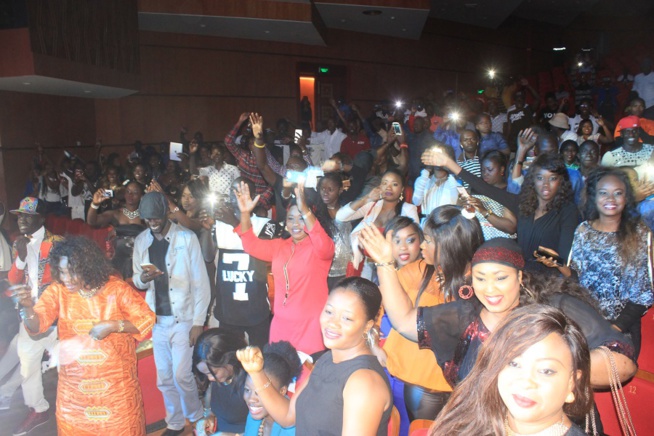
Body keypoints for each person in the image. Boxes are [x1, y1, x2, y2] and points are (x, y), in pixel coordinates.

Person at [358, 234, 637, 390]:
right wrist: (385, 264)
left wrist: (547, 368)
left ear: (520, 277)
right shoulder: (467, 314)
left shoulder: (555, 308)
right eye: (481, 278)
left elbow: (621, 362)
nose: (490, 288)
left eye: (501, 278)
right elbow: (405, 321)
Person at [14, 236, 155, 435]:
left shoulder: (116, 289)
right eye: (62, 272)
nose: (66, 279)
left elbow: (147, 320)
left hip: (116, 392)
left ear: (88, 267)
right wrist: (28, 308)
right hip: (74, 395)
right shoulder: (58, 291)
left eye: (72, 272)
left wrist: (114, 325)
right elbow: (37, 325)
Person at [237, 277, 393, 435]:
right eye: (329, 312)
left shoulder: (364, 382)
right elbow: (288, 416)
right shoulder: (327, 360)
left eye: (346, 318)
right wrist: (257, 373)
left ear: (367, 326)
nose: (332, 323)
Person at [381, 207, 483, 423]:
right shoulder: (418, 271)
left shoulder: (482, 281)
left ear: (448, 246)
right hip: (420, 386)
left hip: (462, 391)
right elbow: (376, 304)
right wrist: (372, 340)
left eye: (427, 240)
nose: (422, 245)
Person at [431, 305, 592, 436]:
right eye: (514, 364)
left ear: (572, 382)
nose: (525, 382)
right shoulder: (469, 425)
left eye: (545, 371)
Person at [132, 192, 211, 436]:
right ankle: (175, 422)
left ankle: (196, 418)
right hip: (158, 320)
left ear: (166, 213)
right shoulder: (141, 241)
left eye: (156, 217)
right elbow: (137, 279)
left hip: (183, 318)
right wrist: (143, 278)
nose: (152, 223)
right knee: (165, 377)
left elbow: (201, 283)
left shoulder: (186, 238)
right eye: (148, 219)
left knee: (181, 375)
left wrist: (198, 322)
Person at [559, 168, 653, 358]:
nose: (611, 199)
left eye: (618, 193)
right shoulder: (583, 230)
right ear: (594, 196)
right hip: (585, 322)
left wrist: (612, 330)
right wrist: (560, 267)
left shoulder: (640, 233)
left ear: (627, 197)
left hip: (621, 328)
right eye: (603, 193)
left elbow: (643, 295)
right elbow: (577, 279)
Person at [234, 181, 334, 355]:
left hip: (310, 329)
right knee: (278, 372)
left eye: (301, 218)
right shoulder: (280, 246)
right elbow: (250, 245)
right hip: (280, 327)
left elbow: (324, 245)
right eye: (291, 218)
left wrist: (305, 209)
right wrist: (244, 214)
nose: (295, 224)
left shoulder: (319, 248)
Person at [7, 197, 63, 436]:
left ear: (41, 218)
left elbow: (65, 279)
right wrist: (21, 257)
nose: (21, 220)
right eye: (19, 215)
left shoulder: (57, 243)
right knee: (28, 366)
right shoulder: (19, 243)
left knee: (67, 365)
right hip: (30, 315)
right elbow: (13, 280)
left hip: (56, 316)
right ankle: (38, 409)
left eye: (27, 215)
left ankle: (75, 408)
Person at [200, 177, 276, 347]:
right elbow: (208, 256)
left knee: (259, 356)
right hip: (228, 310)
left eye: (242, 191)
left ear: (253, 196)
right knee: (230, 358)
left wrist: (234, 222)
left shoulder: (265, 224)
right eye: (233, 191)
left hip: (256, 309)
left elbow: (262, 251)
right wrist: (206, 229)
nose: (236, 196)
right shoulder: (219, 225)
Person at [336, 169, 419, 279]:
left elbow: (415, 241)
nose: (388, 188)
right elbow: (340, 216)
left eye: (394, 184)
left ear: (402, 189)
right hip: (365, 265)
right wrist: (366, 199)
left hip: (393, 267)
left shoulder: (408, 210)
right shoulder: (373, 205)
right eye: (385, 183)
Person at [193, 328, 249, 435]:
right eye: (206, 374)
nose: (210, 378)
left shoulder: (250, 382)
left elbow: (265, 427)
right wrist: (209, 417)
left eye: (213, 373)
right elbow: (216, 409)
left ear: (229, 360)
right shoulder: (219, 379)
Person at [87, 181, 145, 279]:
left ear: (141, 196)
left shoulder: (146, 215)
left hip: (139, 260)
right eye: (128, 191)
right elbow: (92, 222)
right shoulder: (116, 214)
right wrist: (95, 204)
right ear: (124, 194)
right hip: (119, 260)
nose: (130, 195)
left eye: (135, 192)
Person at [242, 341, 302, 436]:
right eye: (247, 390)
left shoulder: (295, 428)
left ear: (282, 391)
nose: (251, 399)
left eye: (259, 392)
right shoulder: (253, 417)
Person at [318, 173, 353, 288]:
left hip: (346, 270)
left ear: (340, 190)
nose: (325, 192)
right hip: (324, 271)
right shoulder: (317, 214)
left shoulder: (347, 211)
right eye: (322, 189)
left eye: (330, 189)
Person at [412, 142, 459, 220]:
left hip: (447, 222)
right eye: (435, 156)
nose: (437, 159)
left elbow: (454, 201)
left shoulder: (454, 182)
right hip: (427, 223)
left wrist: (448, 166)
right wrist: (427, 169)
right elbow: (416, 201)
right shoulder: (423, 180)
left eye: (441, 156)